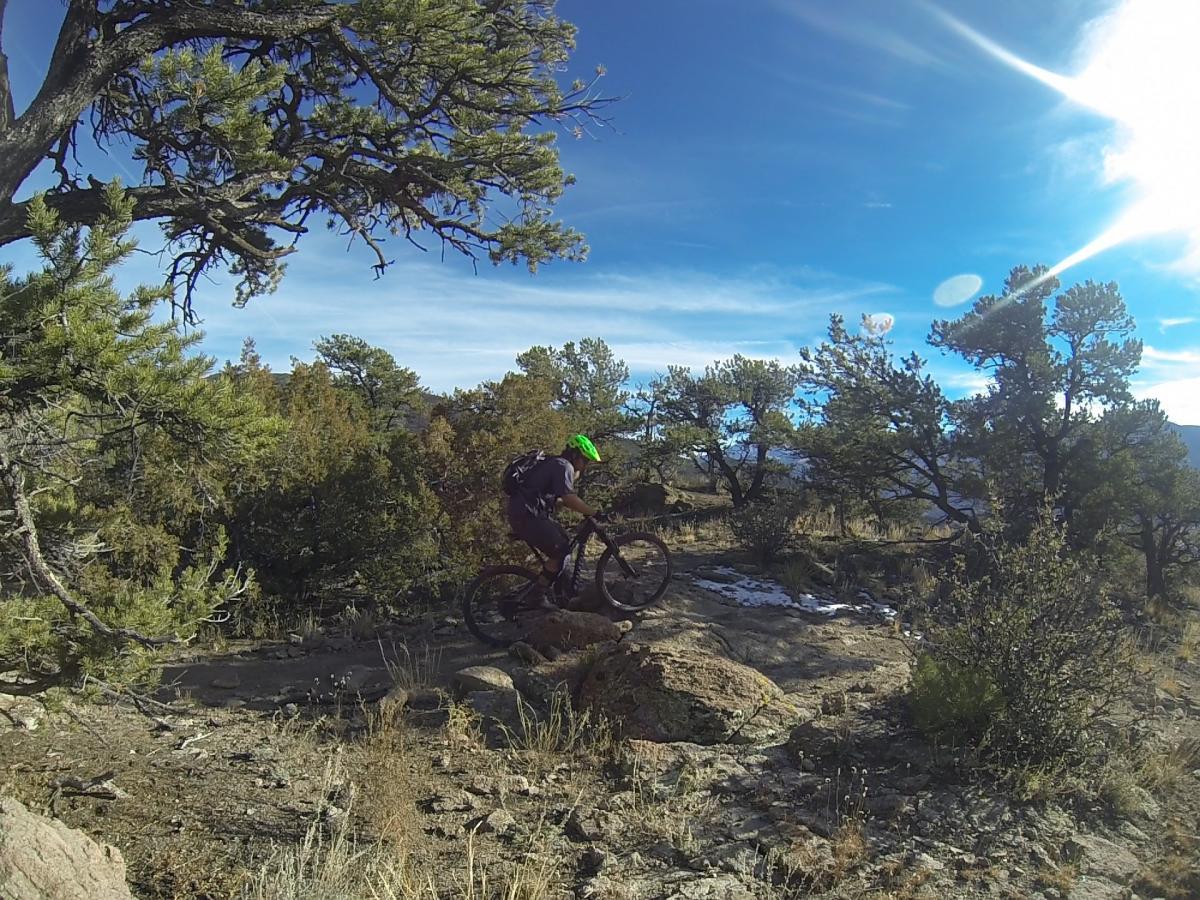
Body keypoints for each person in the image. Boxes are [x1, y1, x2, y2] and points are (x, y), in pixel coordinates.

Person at [506, 434, 602, 603]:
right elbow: (568, 498)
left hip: (525, 514)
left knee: (565, 542)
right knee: (561, 550)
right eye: (585, 460)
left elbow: (558, 499)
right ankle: (536, 596)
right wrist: (594, 512)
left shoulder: (555, 462)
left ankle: (560, 595)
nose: (585, 466)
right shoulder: (563, 465)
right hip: (528, 515)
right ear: (575, 455)